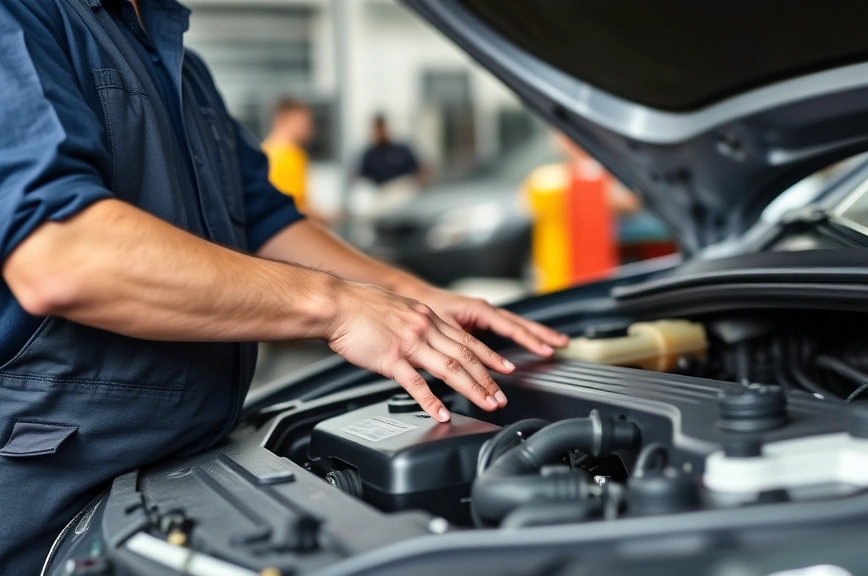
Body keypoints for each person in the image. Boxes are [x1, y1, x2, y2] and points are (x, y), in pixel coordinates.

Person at [0, 0, 567, 572]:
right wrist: (336, 307)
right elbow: (60, 252)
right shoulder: (21, 17)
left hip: (183, 470)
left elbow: (268, 224)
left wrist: (409, 298)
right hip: (47, 495)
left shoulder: (181, 65)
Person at [261, 96, 324, 221]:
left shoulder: (290, 153)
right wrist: (325, 217)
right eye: (302, 122)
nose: (309, 128)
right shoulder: (282, 156)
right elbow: (290, 209)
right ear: (283, 119)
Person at [357, 113, 427, 187]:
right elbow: (362, 179)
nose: (381, 133)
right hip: (382, 193)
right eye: (378, 130)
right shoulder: (369, 156)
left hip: (407, 189)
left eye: (383, 129)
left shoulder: (402, 150)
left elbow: (420, 170)